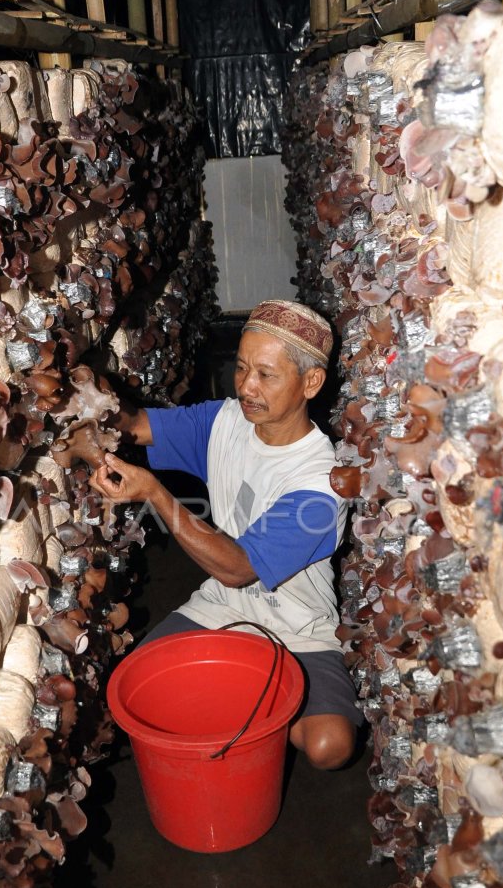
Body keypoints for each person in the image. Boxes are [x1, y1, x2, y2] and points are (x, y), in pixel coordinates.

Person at [89, 299, 363, 769]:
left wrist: (156, 494)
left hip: (298, 628)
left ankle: (246, 702)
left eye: (266, 374)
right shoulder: (225, 421)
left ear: (310, 382)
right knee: (131, 692)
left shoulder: (322, 483)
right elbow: (137, 427)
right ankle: (238, 699)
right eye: (240, 368)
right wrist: (90, 394)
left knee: (328, 745)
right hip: (221, 608)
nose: (246, 387)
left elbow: (237, 569)